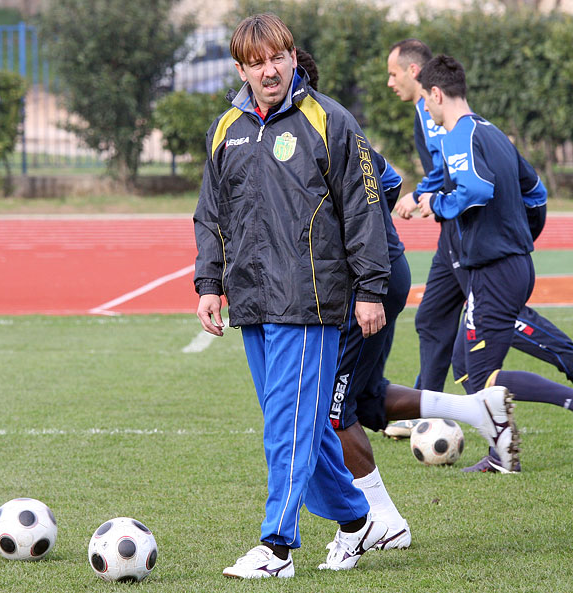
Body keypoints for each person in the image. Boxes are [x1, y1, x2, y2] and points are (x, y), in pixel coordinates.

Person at [194, 13, 391, 577]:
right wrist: (210, 283)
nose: (269, 71)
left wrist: (370, 288)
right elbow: (211, 214)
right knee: (302, 424)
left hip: (311, 301)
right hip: (252, 301)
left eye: (278, 58)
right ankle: (357, 519)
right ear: (241, 69)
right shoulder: (226, 128)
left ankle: (276, 546)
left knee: (287, 426)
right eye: (256, 63)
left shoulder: (330, 120)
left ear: (293, 57)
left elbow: (364, 207)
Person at [295, 49, 513, 552]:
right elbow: (391, 182)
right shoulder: (331, 123)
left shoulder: (319, 129)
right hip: (383, 272)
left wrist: (364, 259)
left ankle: (383, 519)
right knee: (365, 397)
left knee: (333, 411)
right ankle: (477, 409)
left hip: (368, 282)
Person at [386, 40, 573, 469]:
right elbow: (535, 191)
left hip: (494, 270)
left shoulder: (458, 137)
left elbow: (477, 189)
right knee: (465, 365)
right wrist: (521, 238)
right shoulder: (492, 133)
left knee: (482, 376)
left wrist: (438, 204)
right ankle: (501, 454)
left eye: (427, 101)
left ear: (436, 93)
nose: (426, 111)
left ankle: (554, 410)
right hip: (509, 263)